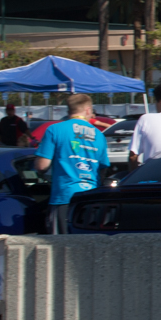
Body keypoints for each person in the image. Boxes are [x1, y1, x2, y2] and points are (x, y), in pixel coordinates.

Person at [34, 93, 106, 234]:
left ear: (69, 110)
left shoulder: (55, 129)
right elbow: (102, 169)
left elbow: (41, 166)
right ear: (87, 110)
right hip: (91, 200)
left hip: (63, 197)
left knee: (60, 244)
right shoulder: (99, 135)